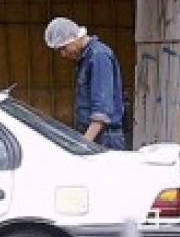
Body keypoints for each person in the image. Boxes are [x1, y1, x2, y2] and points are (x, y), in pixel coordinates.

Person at [44, 17, 127, 149]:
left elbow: (102, 111)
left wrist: (84, 144)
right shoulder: (86, 58)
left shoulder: (98, 56)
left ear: (73, 39)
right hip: (97, 136)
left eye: (63, 48)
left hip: (104, 138)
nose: (63, 54)